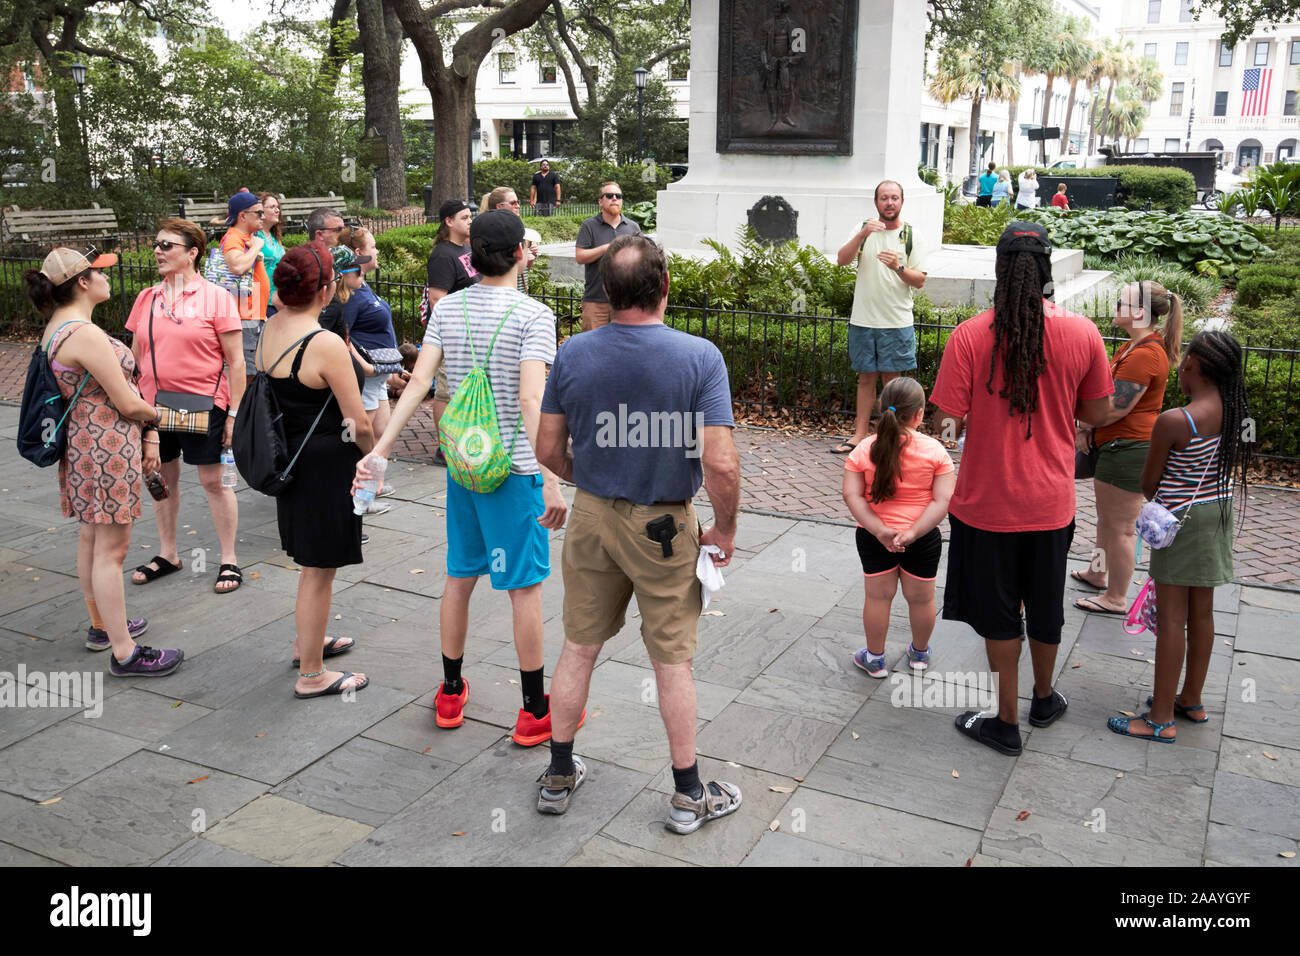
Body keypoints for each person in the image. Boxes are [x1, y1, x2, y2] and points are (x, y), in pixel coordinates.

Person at [534, 234, 744, 833]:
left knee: (579, 647)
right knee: (671, 661)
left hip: (592, 517)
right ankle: (687, 795)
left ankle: (557, 774)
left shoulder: (573, 353)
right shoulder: (699, 358)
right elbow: (722, 462)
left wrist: (593, 477)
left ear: (608, 289)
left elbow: (548, 447)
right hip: (664, 525)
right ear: (665, 288)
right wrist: (723, 527)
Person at [357, 209, 569, 744]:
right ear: (522, 252)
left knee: (460, 577)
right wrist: (551, 476)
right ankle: (533, 710)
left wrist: (380, 449)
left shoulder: (447, 309)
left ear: (471, 257)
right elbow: (529, 398)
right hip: (515, 470)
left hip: (465, 465)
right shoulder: (534, 315)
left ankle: (450, 691)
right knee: (524, 589)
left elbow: (419, 383)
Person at [931, 221, 1113, 757]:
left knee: (1000, 611)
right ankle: (1044, 698)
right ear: (1048, 269)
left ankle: (1005, 723)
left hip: (986, 504)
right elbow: (1099, 411)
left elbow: (947, 422)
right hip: (1051, 502)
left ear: (999, 269)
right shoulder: (1082, 333)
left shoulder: (969, 335)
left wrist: (969, 427)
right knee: (1046, 603)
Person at [25, 248, 185, 677]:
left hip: (83, 447)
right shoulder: (84, 334)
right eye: (100, 273)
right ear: (81, 282)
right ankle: (124, 651)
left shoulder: (57, 327)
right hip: (105, 451)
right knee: (113, 551)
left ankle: (102, 626)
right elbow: (127, 402)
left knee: (92, 541)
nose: (106, 279)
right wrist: (157, 418)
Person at [1108, 331, 1249, 742]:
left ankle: (1160, 719)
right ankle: (1191, 698)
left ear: (1192, 367)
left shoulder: (1175, 420)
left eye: (1184, 362)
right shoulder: (1236, 411)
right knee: (1202, 614)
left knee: (1171, 618)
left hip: (1180, 521)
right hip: (1217, 514)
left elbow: (1149, 485)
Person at [261, 242, 374, 698]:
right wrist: (372, 457)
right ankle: (312, 673)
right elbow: (358, 421)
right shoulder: (323, 343)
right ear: (325, 289)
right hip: (327, 464)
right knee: (320, 569)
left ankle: (309, 642)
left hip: (291, 457)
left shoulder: (269, 328)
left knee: (312, 563)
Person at [126, 217, 247, 595]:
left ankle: (229, 559)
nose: (158, 251)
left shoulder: (216, 297)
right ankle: (168, 553)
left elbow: (237, 362)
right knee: (161, 479)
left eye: (168, 246)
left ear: (192, 253)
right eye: (157, 244)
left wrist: (233, 414)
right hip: (153, 407)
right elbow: (134, 355)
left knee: (213, 481)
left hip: (202, 403)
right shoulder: (147, 297)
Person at [1073, 281, 1181, 615]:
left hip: (1128, 448)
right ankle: (1098, 572)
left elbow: (1115, 408)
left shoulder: (1145, 354)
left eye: (1122, 302)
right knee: (1107, 521)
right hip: (1118, 446)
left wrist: (1083, 424)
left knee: (1120, 527)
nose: (1116, 306)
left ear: (1138, 312)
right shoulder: (1134, 348)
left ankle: (1117, 597)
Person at [844, 377, 955, 677]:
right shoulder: (935, 452)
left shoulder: (863, 449)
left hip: (873, 537)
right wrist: (914, 532)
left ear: (883, 409)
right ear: (919, 414)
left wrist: (879, 530)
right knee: (922, 598)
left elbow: (852, 495)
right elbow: (942, 500)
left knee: (878, 597)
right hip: (922, 538)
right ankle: (919, 654)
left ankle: (875, 659)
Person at [833, 180, 928, 455]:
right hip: (863, 320)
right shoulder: (865, 229)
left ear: (901, 202)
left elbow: (919, 280)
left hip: (896, 322)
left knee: (892, 382)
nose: (889, 203)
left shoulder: (912, 235)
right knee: (865, 379)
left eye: (894, 198)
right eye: (884, 198)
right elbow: (841, 260)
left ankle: (892, 435)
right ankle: (860, 435)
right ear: (876, 202)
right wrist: (863, 233)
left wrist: (898, 267)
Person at [425, 199, 481, 465]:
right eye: (464, 217)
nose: (470, 221)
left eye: (471, 217)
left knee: (462, 391)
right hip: (453, 335)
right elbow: (437, 299)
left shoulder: (467, 249)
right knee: (446, 392)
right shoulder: (442, 255)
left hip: (471, 333)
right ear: (449, 222)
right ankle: (444, 448)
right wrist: (453, 334)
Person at [574, 181, 641, 331]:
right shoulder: (589, 225)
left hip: (626, 302)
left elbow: (641, 259)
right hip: (595, 301)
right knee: (593, 350)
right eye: (609, 195)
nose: (614, 199)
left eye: (618, 196)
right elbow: (580, 256)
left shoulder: (633, 227)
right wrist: (607, 248)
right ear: (600, 201)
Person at [218, 192, 271, 375]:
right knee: (248, 373)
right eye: (258, 212)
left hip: (252, 314)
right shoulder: (234, 238)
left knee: (254, 370)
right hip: (244, 316)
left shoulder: (246, 237)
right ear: (242, 216)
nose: (262, 217)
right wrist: (256, 247)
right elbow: (237, 266)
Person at [481, 186, 539, 292]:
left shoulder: (519, 228)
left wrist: (529, 257)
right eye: (513, 203)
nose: (518, 206)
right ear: (499, 206)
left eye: (518, 202)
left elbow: (524, 269)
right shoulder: (490, 232)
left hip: (519, 291)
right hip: (501, 293)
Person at [256, 192, 286, 316]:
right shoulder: (254, 235)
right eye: (272, 207)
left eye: (277, 207)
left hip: (277, 299)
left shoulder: (273, 236)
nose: (277, 210)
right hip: (261, 301)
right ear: (260, 210)